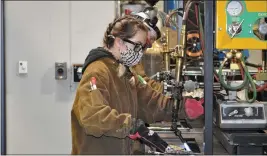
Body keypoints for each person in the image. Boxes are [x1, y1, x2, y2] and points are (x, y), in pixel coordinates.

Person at [71, 15, 173, 155]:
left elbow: (150, 103)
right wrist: (130, 126)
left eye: (143, 48)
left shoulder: (124, 72)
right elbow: (92, 115)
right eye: (137, 46)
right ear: (119, 42)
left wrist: (180, 107)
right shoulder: (97, 72)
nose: (140, 53)